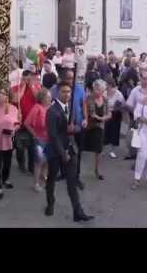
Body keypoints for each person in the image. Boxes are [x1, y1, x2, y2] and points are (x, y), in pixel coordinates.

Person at [44, 81, 93, 222]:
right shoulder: (52, 111)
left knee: (72, 181)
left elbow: (76, 128)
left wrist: (76, 128)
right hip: (55, 151)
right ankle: (50, 203)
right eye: (64, 91)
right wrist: (62, 153)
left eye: (69, 92)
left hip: (70, 148)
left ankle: (78, 212)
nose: (67, 94)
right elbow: (53, 135)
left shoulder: (71, 109)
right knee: (51, 179)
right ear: (58, 92)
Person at [50, 68, 86, 188]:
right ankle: (64, 173)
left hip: (77, 124)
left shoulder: (79, 89)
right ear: (64, 78)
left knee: (76, 153)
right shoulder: (55, 90)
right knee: (62, 150)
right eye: (69, 78)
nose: (71, 80)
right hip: (61, 124)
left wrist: (85, 118)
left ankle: (76, 177)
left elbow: (83, 104)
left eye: (72, 78)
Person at [0, 89, 20, 199]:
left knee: (7, 162)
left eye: (4, 94)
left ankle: (5, 178)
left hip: (8, 140)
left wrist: (14, 129)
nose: (1, 96)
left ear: (7, 96)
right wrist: (4, 124)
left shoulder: (13, 108)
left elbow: (17, 123)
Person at [11, 70, 41, 174]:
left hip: (32, 123)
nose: (27, 81)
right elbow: (15, 99)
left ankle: (32, 167)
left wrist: (31, 85)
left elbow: (38, 98)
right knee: (20, 146)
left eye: (29, 78)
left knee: (32, 146)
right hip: (19, 122)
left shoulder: (36, 87)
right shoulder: (16, 88)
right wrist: (23, 86)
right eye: (25, 78)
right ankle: (21, 165)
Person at [82, 79, 111, 180]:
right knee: (82, 147)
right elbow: (85, 112)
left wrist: (102, 118)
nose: (99, 92)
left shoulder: (105, 99)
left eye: (101, 90)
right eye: (97, 90)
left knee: (99, 150)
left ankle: (97, 170)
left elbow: (109, 114)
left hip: (99, 126)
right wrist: (86, 119)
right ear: (93, 89)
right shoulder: (87, 98)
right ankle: (78, 170)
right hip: (89, 126)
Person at [25, 88, 52, 192]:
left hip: (50, 139)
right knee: (39, 161)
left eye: (50, 97)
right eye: (48, 97)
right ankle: (36, 183)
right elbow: (27, 123)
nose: (50, 99)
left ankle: (44, 176)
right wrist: (34, 134)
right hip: (40, 139)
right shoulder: (37, 108)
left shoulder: (51, 107)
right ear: (42, 98)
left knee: (47, 160)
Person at [124, 70, 147, 161]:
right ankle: (133, 155)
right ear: (141, 79)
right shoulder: (135, 90)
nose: (146, 81)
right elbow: (128, 104)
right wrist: (136, 115)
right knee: (133, 138)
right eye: (144, 78)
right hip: (136, 119)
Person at [104, 78, 125, 159]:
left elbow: (122, 105)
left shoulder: (118, 94)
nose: (106, 86)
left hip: (115, 115)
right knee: (105, 131)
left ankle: (112, 151)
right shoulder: (104, 92)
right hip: (105, 114)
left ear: (110, 85)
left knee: (114, 132)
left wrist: (116, 108)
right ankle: (102, 149)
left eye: (107, 85)